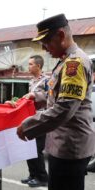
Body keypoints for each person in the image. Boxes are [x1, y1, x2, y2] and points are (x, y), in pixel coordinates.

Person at [16, 14, 95, 190]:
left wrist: (28, 126)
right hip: (63, 143)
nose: (43, 49)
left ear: (60, 35)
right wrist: (36, 97)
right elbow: (59, 96)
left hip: (69, 147)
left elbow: (64, 108)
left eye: (45, 42)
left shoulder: (74, 63)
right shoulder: (64, 61)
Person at [20, 55, 48, 187]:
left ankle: (42, 177)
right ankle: (33, 174)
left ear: (38, 66)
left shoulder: (47, 81)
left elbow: (50, 97)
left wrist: (35, 95)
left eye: (31, 64)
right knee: (28, 148)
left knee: (37, 149)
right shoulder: (32, 81)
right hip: (32, 118)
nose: (28, 66)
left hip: (42, 119)